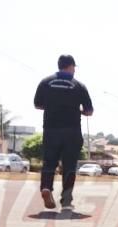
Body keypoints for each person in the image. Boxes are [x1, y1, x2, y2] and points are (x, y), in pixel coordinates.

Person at [34, 54, 93, 209]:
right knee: (69, 166)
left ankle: (46, 187)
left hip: (51, 130)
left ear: (59, 65)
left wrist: (53, 106)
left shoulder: (45, 82)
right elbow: (89, 111)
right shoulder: (79, 86)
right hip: (72, 131)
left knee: (49, 162)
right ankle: (66, 202)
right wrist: (77, 110)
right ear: (71, 66)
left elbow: (38, 105)